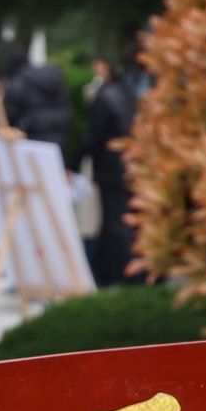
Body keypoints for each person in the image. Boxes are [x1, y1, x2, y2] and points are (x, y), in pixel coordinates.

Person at [80, 42, 145, 286]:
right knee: (129, 219)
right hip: (131, 166)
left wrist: (74, 162)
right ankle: (132, 272)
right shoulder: (129, 92)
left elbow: (93, 135)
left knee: (116, 222)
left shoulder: (105, 96)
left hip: (111, 169)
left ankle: (126, 274)